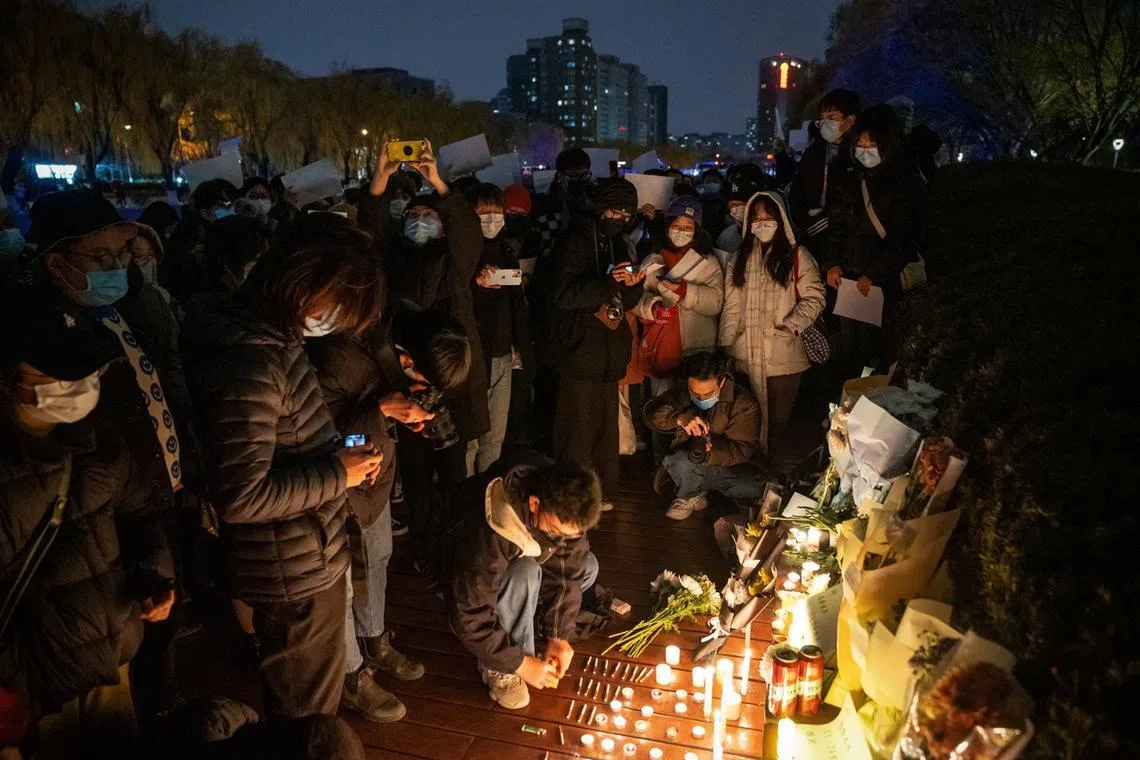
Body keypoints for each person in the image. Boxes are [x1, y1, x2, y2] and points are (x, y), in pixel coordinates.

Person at [181, 212, 385, 721]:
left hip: (303, 553)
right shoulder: (250, 360)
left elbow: (279, 439)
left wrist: (335, 455)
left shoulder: (273, 336)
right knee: (304, 715)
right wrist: (339, 474)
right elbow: (242, 496)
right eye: (338, 303)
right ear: (302, 281)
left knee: (310, 703)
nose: (338, 318)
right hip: (291, 573)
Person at [26, 190, 191, 721]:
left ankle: (159, 709)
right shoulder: (45, 340)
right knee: (125, 638)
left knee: (159, 615)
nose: (117, 268)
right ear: (55, 261)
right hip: (99, 522)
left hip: (147, 501)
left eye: (121, 256)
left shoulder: (116, 312)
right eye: (101, 258)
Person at [0, 298, 174, 760]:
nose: (78, 388)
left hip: (110, 663)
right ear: (9, 377)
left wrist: (150, 574)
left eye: (87, 373)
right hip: (33, 692)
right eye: (59, 375)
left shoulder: (98, 437)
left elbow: (137, 513)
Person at [306, 310, 470, 722]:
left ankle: (374, 640)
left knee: (377, 557)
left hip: (376, 479)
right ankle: (350, 675)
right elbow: (315, 434)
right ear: (407, 357)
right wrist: (382, 408)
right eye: (425, 383)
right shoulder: (334, 358)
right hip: (338, 486)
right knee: (340, 581)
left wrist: (402, 416)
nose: (423, 392)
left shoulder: (394, 360)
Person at [359, 140, 488, 483]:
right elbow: (371, 230)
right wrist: (381, 177)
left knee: (453, 472)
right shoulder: (393, 256)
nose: (419, 220)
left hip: (450, 379)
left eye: (429, 215)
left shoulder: (454, 259)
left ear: (443, 225)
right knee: (415, 473)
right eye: (413, 215)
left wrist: (437, 181)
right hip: (405, 381)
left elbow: (468, 231)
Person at [444, 459, 602, 709]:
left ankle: (524, 613)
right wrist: (521, 663)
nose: (563, 539)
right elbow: (467, 613)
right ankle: (501, 665)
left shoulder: (563, 503)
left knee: (588, 566)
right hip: (458, 576)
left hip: (516, 557)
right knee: (525, 572)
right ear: (535, 503)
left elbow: (568, 566)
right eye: (557, 531)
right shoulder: (492, 525)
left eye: (570, 535)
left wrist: (559, 634)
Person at [551, 178, 646, 509]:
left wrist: (633, 284)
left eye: (626, 213)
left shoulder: (618, 243)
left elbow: (627, 297)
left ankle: (602, 491)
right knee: (576, 431)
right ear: (599, 206)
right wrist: (607, 283)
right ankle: (572, 497)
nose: (619, 217)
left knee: (606, 431)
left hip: (609, 353)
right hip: (579, 350)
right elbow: (562, 295)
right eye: (614, 210)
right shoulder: (574, 240)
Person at [718, 191, 826, 465]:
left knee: (777, 423)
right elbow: (732, 306)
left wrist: (790, 326)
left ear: (781, 219)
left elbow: (815, 297)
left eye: (768, 218)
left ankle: (769, 477)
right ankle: (749, 476)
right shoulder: (738, 258)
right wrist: (727, 343)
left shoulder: (796, 255)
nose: (762, 223)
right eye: (756, 218)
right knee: (747, 419)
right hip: (745, 354)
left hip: (783, 356)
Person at [822, 104, 926, 374]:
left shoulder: (906, 181)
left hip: (884, 283)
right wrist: (832, 263)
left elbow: (904, 236)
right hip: (848, 278)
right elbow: (837, 222)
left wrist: (874, 273)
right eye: (861, 144)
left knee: (881, 351)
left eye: (872, 145)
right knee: (849, 352)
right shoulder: (849, 176)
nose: (865, 151)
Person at [632, 196, 724, 462]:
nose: (682, 231)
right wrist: (653, 306)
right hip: (663, 349)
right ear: (668, 225)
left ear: (697, 229)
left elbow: (717, 302)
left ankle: (695, 465)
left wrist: (685, 291)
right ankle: (663, 461)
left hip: (698, 351)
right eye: (677, 224)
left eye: (689, 226)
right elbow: (636, 301)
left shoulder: (708, 262)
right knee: (664, 407)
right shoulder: (652, 260)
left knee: (698, 409)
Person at [645, 351, 763, 519]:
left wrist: (710, 450)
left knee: (752, 486)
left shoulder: (744, 403)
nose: (700, 398)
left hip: (727, 467)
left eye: (707, 395)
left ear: (721, 383)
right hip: (688, 462)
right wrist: (678, 419)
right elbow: (652, 412)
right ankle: (690, 495)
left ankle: (698, 489)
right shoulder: (683, 393)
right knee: (680, 461)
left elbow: (742, 450)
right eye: (696, 393)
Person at [468, 183, 534, 473]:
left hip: (503, 353)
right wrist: (478, 286)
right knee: (470, 437)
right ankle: (465, 495)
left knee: (495, 435)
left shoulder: (506, 249)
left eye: (497, 212)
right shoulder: (464, 254)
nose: (492, 220)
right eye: (484, 213)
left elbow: (514, 301)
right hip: (473, 356)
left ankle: (487, 489)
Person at [787, 89, 861, 245]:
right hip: (812, 237)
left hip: (848, 242)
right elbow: (796, 194)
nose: (826, 124)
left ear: (850, 120)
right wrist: (808, 224)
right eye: (823, 118)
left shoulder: (861, 155)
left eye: (832, 118)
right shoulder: (814, 152)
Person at [162, 179, 237, 303]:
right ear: (206, 213)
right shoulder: (184, 247)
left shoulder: (240, 236)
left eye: (234, 203)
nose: (232, 210)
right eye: (225, 205)